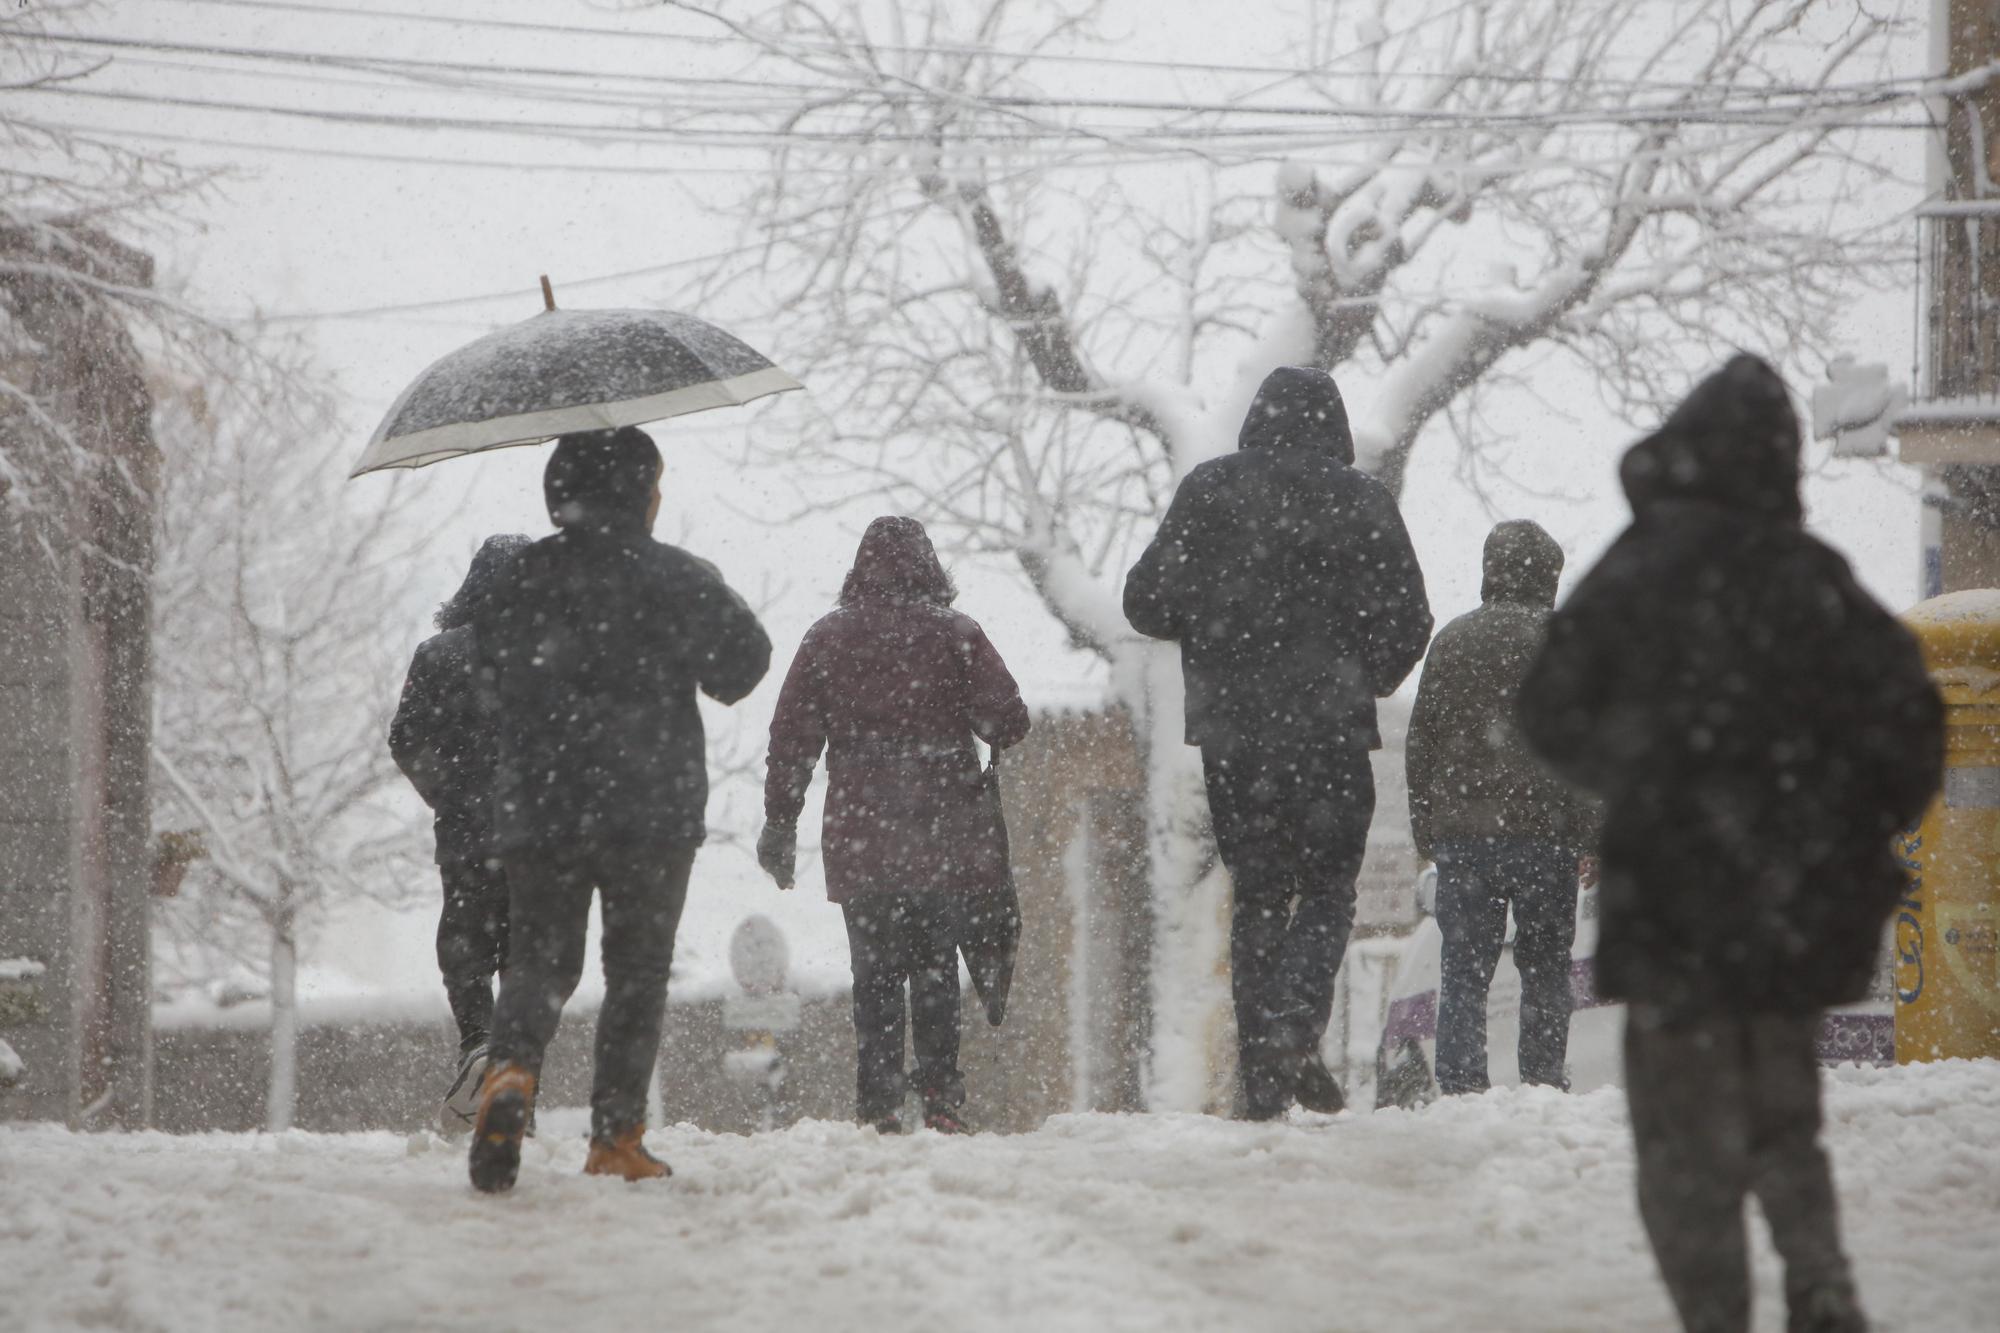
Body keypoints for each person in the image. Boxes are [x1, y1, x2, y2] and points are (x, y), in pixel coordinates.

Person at [1517, 355, 1943, 1333]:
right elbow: (1909, 719)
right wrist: (1842, 821)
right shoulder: (1813, 578)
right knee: (1784, 1123)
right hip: (1791, 907)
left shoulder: (1638, 568)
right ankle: (1818, 1278)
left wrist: (1647, 771)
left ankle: (1712, 1315)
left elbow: (1548, 706)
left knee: (1680, 1147)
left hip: (1673, 907)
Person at [465, 426, 771, 1193]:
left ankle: (509, 1072)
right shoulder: (674, 576)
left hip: (542, 805)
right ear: (641, 493)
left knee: (538, 958)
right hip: (650, 805)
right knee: (637, 971)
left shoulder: (521, 576)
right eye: (656, 483)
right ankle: (615, 1135)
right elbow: (743, 664)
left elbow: (485, 675)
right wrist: (697, 595)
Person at [1124, 365, 1433, 1120]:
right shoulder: (1362, 499)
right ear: (1332, 424)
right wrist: (1370, 675)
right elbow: (1411, 618)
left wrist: (1215, 625)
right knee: (1328, 888)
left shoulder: (1210, 491)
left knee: (1259, 894)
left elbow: (1145, 602)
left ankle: (1263, 1078)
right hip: (1332, 731)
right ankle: (1295, 1025)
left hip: (1238, 736)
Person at [757, 517, 1030, 1134]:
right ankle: (940, 1097)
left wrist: (780, 821)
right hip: (942, 836)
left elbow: (792, 738)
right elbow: (1008, 721)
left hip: (862, 838)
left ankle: (877, 1104)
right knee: (935, 964)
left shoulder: (827, 639)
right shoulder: (956, 634)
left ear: (858, 571)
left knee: (874, 975)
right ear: (932, 569)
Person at [1406, 520, 1594, 1096]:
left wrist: (1426, 830)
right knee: (1544, 967)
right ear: (1549, 577)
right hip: (1549, 833)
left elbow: (1423, 741)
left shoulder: (1453, 641)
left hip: (1466, 834)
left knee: (1464, 966)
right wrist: (1595, 834)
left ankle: (1462, 1084)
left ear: (1491, 570)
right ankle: (1540, 1081)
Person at [388, 532, 530, 1134]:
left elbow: (405, 738)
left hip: (468, 834)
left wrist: (446, 793)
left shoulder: (438, 654)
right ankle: (516, 1078)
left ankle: (478, 1044)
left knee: (466, 950)